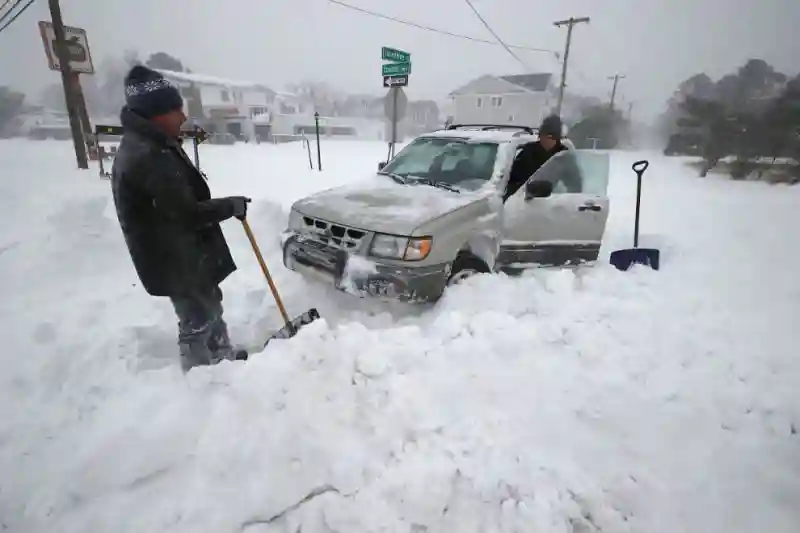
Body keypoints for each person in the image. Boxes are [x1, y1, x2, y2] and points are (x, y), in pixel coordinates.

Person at [111, 65, 252, 372]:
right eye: (177, 110)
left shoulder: (150, 144)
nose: (183, 117)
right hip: (174, 258)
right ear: (157, 112)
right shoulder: (148, 155)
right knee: (198, 316)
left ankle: (221, 356)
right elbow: (185, 214)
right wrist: (230, 206)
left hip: (181, 254)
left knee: (208, 304)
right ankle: (201, 374)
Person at [503, 114, 580, 201]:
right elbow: (513, 183)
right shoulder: (527, 153)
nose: (549, 141)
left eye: (553, 138)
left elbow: (575, 187)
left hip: (553, 203)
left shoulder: (563, 158)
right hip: (525, 201)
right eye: (546, 137)